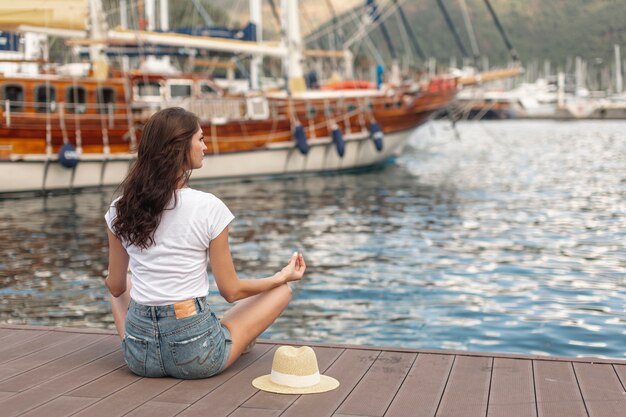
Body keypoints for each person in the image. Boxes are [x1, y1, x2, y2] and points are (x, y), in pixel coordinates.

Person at [104, 107, 305, 379]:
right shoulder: (209, 207)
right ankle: (225, 337)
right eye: (200, 139)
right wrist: (281, 276)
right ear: (180, 148)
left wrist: (115, 279)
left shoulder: (120, 209)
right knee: (282, 292)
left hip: (140, 357)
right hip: (196, 354)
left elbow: (116, 287)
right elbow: (230, 291)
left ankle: (160, 338)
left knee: (123, 282)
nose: (205, 146)